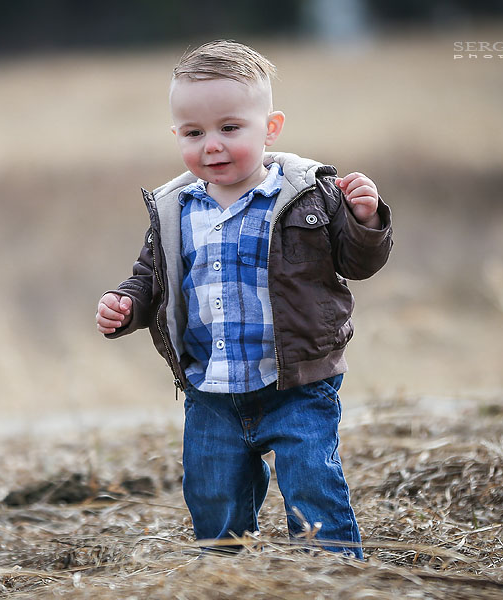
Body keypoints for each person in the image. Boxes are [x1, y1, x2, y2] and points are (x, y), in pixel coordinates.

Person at [95, 40, 392, 558]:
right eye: (194, 133)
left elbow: (357, 264)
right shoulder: (175, 207)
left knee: (312, 483)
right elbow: (152, 276)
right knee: (212, 492)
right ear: (176, 135)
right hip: (211, 386)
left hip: (297, 381)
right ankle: (224, 569)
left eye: (230, 128)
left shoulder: (306, 193)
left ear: (270, 128)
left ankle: (333, 571)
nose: (211, 145)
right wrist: (126, 304)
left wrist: (365, 221)